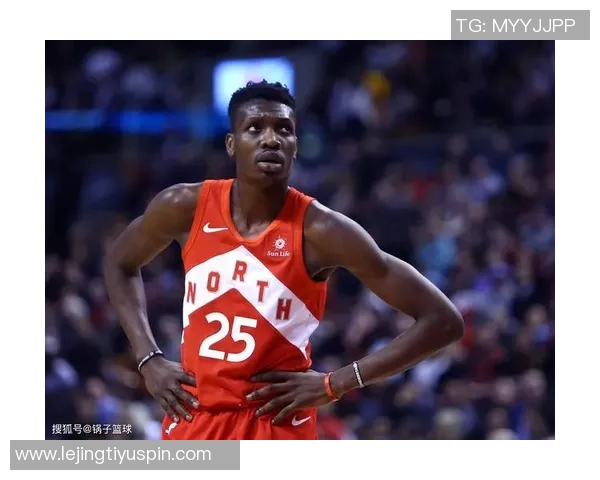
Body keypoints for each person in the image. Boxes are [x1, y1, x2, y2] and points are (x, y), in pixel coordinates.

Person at [103, 80, 465, 440]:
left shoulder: (322, 230)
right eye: (254, 128)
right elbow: (119, 263)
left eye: (284, 130)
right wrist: (148, 358)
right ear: (231, 144)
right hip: (194, 420)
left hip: (274, 425)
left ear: (295, 147)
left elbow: (443, 320)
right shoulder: (184, 206)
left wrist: (337, 382)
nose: (271, 139)